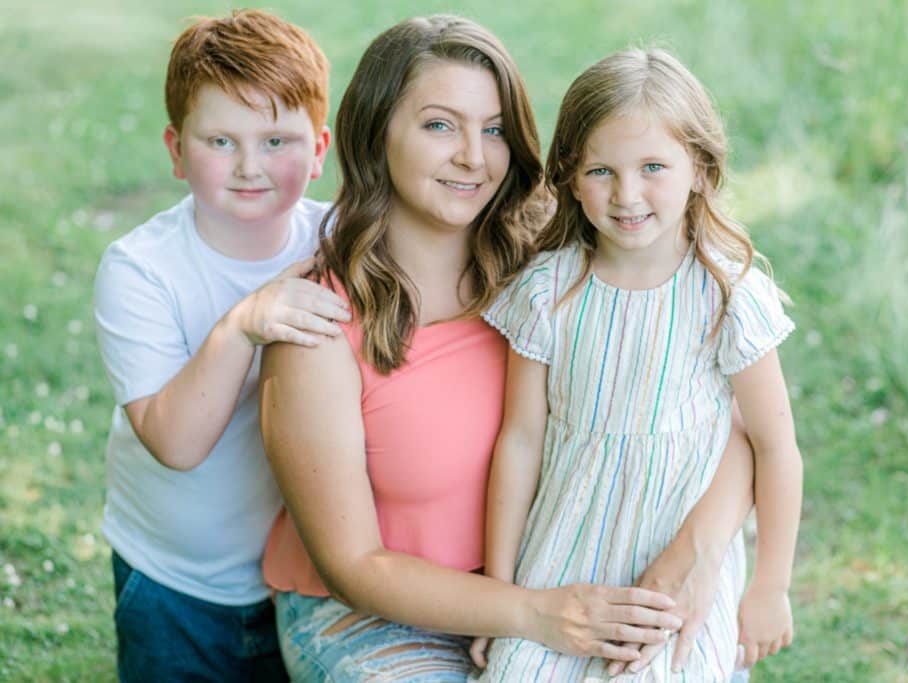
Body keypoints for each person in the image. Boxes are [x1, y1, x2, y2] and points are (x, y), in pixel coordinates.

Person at [259, 16, 760, 682]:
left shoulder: (556, 273)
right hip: (373, 616)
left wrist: (697, 550)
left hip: (557, 575)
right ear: (376, 133)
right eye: (440, 126)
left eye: (493, 129)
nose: (474, 156)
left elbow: (733, 424)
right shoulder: (320, 323)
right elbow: (354, 566)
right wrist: (529, 613)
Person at [472, 48, 803, 682]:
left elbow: (775, 444)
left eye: (653, 166)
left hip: (670, 549)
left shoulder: (725, 292)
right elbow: (520, 439)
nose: (627, 195)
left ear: (699, 169)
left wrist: (770, 586)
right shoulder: (549, 290)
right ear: (569, 175)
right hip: (564, 548)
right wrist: (500, 589)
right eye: (602, 170)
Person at [92, 10, 348, 681]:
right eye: (220, 141)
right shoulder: (141, 270)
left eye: (276, 140)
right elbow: (175, 441)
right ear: (176, 150)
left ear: (320, 148)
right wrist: (244, 323)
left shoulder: (341, 244)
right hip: (176, 583)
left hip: (304, 580)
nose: (249, 167)